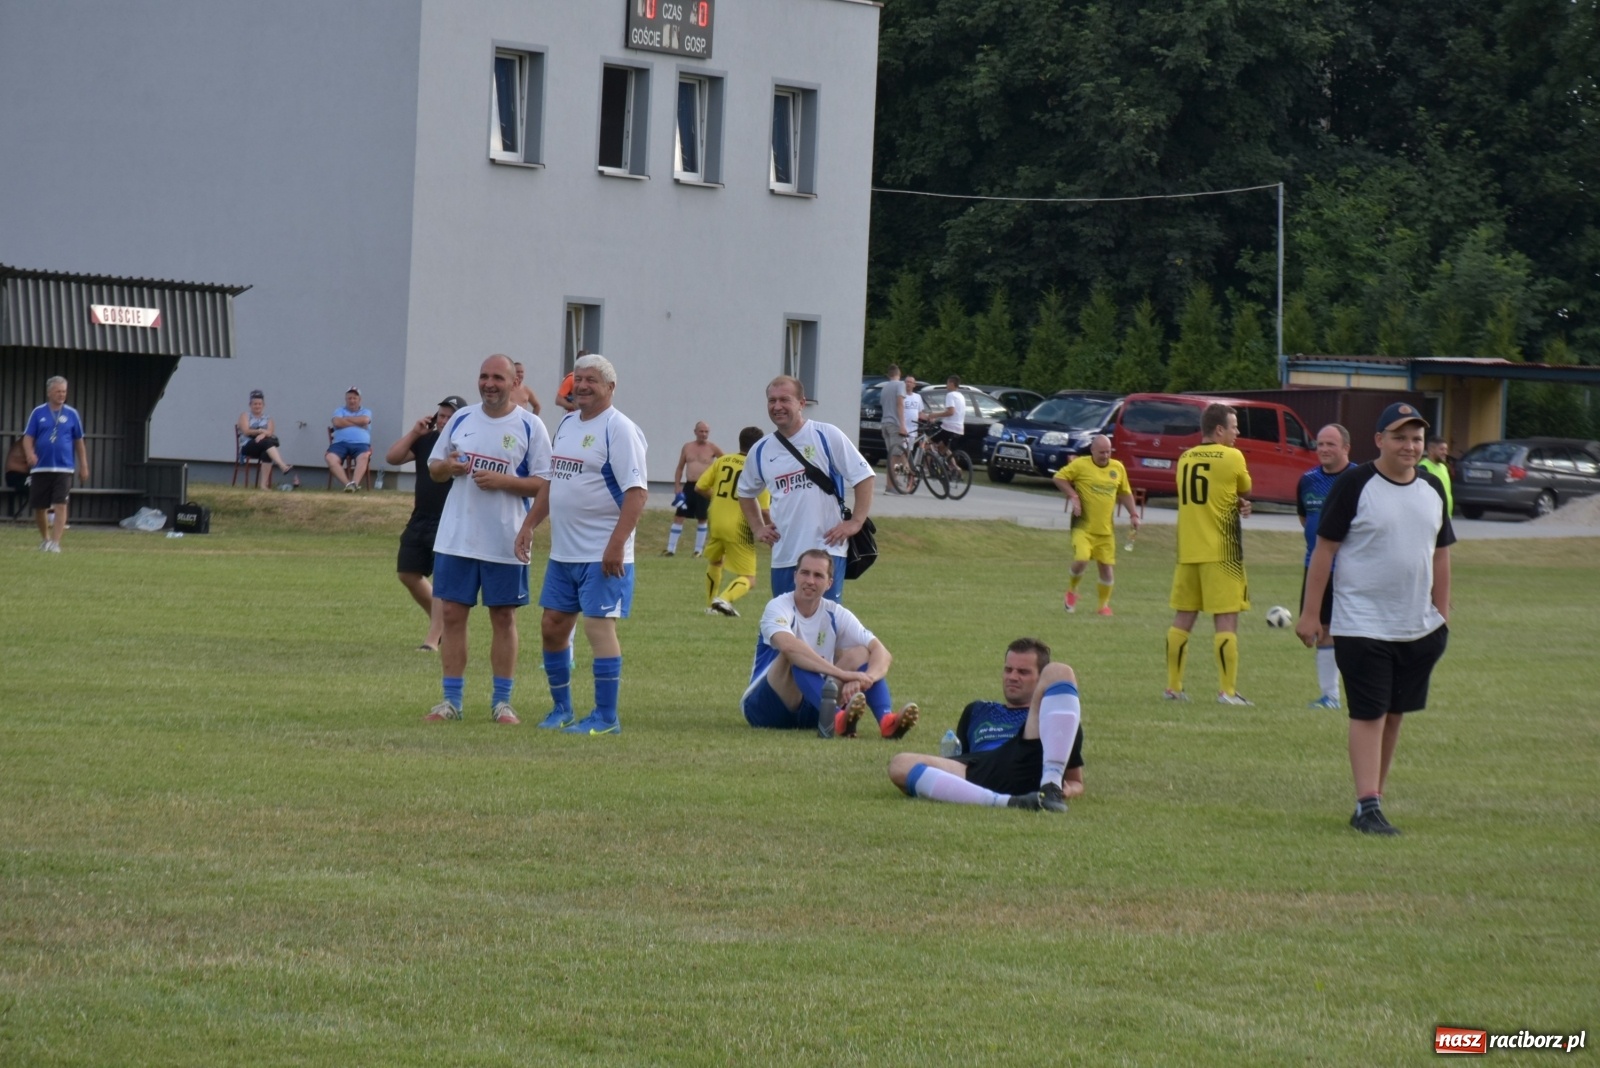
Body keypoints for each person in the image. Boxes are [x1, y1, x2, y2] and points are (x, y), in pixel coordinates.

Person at [1296, 402, 1453, 836]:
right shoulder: (1354, 484)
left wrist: (1443, 612)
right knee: (1369, 712)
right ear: (1379, 440)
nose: (1409, 446)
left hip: (1417, 625)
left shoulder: (1432, 488)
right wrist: (1312, 614)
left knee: (1395, 712)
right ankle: (1367, 804)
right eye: (1399, 437)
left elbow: (1441, 552)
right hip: (1360, 622)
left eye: (1416, 438)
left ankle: (1374, 801)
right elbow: (1324, 550)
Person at [515, 353, 649, 736]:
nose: (583, 385)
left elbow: (637, 493)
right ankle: (562, 709)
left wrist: (616, 545)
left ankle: (606, 718)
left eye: (592, 379)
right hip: (564, 553)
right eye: (579, 378)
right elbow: (553, 481)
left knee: (597, 628)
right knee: (552, 626)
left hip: (602, 553)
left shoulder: (619, 429)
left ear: (611, 387)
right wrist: (529, 524)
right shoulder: (568, 423)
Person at [423, 357, 552, 724]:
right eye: (484, 376)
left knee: (503, 616)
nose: (489, 383)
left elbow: (545, 484)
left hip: (505, 538)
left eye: (498, 377)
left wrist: (505, 482)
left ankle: (502, 703)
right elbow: (434, 468)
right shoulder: (462, 419)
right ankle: (451, 702)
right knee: (451, 614)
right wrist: (449, 468)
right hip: (457, 537)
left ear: (514, 383)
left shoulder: (530, 425)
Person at [887, 638, 1084, 813]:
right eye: (1008, 670)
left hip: (1024, 757)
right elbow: (963, 755)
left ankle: (1050, 789)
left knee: (1060, 671)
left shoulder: (1055, 718)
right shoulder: (976, 710)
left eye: (1023, 672)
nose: (1013, 677)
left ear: (1041, 679)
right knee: (900, 764)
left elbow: (1075, 781)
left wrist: (1068, 790)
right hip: (979, 767)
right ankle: (1010, 803)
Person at [740, 548, 918, 738]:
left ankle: (886, 721)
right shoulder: (778, 606)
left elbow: (882, 652)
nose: (810, 580)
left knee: (862, 651)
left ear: (829, 583)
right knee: (796, 656)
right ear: (795, 576)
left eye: (818, 575)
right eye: (805, 573)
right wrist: (844, 675)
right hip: (766, 709)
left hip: (815, 708)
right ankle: (837, 717)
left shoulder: (835, 612)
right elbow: (789, 647)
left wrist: (865, 678)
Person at [737, 375, 874, 603]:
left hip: (826, 551)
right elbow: (745, 492)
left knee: (823, 624)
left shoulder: (826, 435)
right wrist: (757, 527)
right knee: (785, 625)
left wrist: (856, 522)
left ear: (802, 403)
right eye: (772, 401)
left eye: (784, 400)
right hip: (784, 554)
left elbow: (864, 477)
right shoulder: (761, 450)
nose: (777, 406)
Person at [1165, 402, 1254, 705]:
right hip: (1222, 552)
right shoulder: (1232, 457)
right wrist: (1239, 502)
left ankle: (1173, 688)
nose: (1237, 433)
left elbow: (1211, 496)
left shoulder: (1185, 458)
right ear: (1219, 430)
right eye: (1233, 427)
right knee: (1226, 620)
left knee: (1182, 620)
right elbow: (1245, 486)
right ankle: (1227, 692)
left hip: (1188, 550)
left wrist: (1234, 502)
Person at [385, 394, 467, 651]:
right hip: (420, 518)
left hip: (449, 521)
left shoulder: (463, 447)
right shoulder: (427, 441)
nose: (443, 420)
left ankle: (433, 639)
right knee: (407, 573)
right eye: (440, 416)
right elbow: (393, 458)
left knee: (443, 581)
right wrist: (414, 432)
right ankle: (441, 622)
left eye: (449, 416)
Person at [1052, 434, 1141, 616]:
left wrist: (1133, 514)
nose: (1105, 456)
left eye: (1108, 452)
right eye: (1101, 452)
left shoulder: (1118, 468)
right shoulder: (1080, 465)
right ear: (1092, 450)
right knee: (1082, 559)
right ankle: (1072, 590)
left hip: (1105, 530)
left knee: (1106, 568)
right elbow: (1058, 478)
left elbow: (1125, 493)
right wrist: (1073, 495)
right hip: (1083, 526)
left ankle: (1103, 606)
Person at [1296, 423, 1353, 709]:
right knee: (1323, 628)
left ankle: (1359, 691)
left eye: (1331, 444)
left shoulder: (1358, 478)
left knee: (1355, 631)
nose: (1324, 449)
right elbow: (1306, 519)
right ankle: (1330, 696)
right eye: (1320, 444)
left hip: (1352, 568)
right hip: (1317, 567)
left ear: (1345, 448)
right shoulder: (1307, 480)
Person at [696, 426, 770, 617]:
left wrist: (719, 500)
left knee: (715, 561)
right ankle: (724, 599)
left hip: (716, 520)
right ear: (759, 446)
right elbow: (763, 509)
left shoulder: (722, 460)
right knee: (749, 578)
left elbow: (700, 487)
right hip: (739, 526)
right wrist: (771, 528)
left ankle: (710, 606)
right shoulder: (758, 469)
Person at [22, 376, 88, 553]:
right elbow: (28, 437)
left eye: (64, 391)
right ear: (49, 392)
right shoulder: (38, 413)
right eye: (58, 391)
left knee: (60, 504)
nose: (61, 395)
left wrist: (84, 465)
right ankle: (45, 539)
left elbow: (79, 441)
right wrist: (30, 453)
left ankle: (56, 543)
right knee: (40, 507)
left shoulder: (72, 414)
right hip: (41, 467)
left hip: (64, 467)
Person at [664, 421, 721, 556]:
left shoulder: (712, 448)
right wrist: (677, 486)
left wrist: (716, 482)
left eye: (706, 432)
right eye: (701, 431)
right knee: (679, 516)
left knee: (702, 517)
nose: (704, 434)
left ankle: (698, 551)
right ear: (695, 431)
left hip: (704, 487)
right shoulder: (688, 447)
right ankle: (671, 550)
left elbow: (725, 462)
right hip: (689, 486)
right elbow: (680, 467)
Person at [236, 389, 296, 489]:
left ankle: (263, 485)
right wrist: (261, 431)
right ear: (250, 405)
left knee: (266, 452)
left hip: (262, 446)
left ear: (263, 405)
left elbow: (270, 432)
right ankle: (282, 465)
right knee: (267, 443)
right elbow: (246, 431)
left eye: (259, 404)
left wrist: (263, 435)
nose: (257, 406)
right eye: (255, 404)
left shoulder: (268, 418)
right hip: (248, 446)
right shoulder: (245, 415)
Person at [325, 386, 373, 492]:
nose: (352, 401)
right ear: (346, 399)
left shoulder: (366, 411)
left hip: (361, 444)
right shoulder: (339, 410)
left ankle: (355, 484)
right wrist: (357, 422)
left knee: (364, 456)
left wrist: (346, 419)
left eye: (354, 398)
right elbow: (337, 422)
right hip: (340, 444)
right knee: (330, 458)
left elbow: (365, 420)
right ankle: (348, 485)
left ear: (359, 400)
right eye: (349, 398)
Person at [879, 365, 907, 492]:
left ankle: (895, 481)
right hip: (895, 424)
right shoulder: (900, 385)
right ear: (899, 373)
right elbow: (900, 404)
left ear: (888, 375)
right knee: (895, 456)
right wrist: (902, 424)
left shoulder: (885, 388)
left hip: (885, 423)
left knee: (894, 455)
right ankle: (890, 486)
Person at [928, 375, 967, 458]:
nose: (946, 385)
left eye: (947, 383)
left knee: (928, 443)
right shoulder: (961, 396)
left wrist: (934, 415)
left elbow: (951, 412)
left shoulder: (950, 395)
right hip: (959, 429)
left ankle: (926, 469)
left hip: (949, 428)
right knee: (943, 448)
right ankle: (955, 468)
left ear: (952, 383)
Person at [1418, 435, 1454, 516]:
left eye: (1446, 449)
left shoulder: (1444, 467)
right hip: (1432, 515)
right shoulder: (1424, 467)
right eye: (1442, 449)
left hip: (1446, 515)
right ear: (1431, 450)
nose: (1445, 453)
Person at [5, 437, 30, 519]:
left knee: (47, 484)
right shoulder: (28, 441)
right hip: (16, 475)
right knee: (43, 485)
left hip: (24, 475)